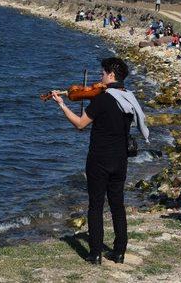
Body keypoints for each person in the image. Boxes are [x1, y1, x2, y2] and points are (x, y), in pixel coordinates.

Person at [51, 57, 149, 265]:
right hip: (121, 159)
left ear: (111, 75)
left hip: (99, 158)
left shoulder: (103, 99)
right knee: (117, 205)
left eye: (103, 73)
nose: (100, 77)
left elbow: (80, 124)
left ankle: (95, 253)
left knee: (95, 205)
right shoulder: (129, 99)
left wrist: (62, 105)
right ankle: (119, 251)